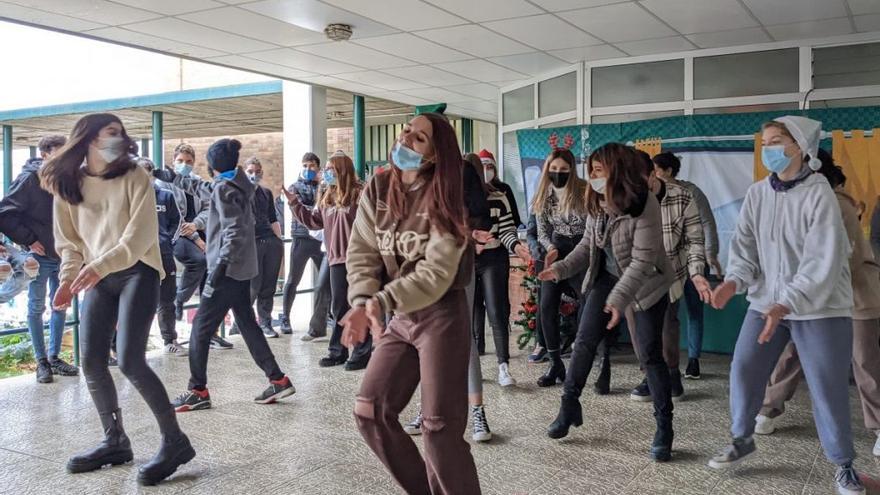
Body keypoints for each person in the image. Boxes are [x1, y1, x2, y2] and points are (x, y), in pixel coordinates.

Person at [707, 116, 865, 495]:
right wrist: (734, 280)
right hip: (766, 303)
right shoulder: (759, 193)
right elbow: (745, 248)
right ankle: (741, 439)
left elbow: (821, 262)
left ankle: (844, 465)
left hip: (820, 308)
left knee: (827, 388)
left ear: (801, 146)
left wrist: (786, 303)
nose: (769, 149)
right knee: (744, 367)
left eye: (777, 141)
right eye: (765, 142)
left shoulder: (819, 193)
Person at [45, 113, 195, 485]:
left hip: (137, 271)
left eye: (121, 133)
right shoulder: (70, 183)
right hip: (97, 275)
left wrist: (97, 267)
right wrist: (68, 280)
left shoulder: (136, 176)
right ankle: (115, 442)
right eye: (111, 132)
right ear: (89, 138)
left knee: (129, 359)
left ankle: (175, 442)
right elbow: (68, 242)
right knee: (92, 361)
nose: (119, 138)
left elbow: (140, 236)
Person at [343, 113, 481, 494]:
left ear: (435, 155)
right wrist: (362, 299)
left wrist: (381, 299)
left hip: (441, 314)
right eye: (407, 130)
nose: (406, 139)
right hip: (400, 316)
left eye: (419, 139)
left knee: (439, 429)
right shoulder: (379, 186)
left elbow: (436, 273)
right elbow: (362, 251)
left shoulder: (445, 195)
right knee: (370, 411)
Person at [538, 143, 675, 461]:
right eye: (592, 171)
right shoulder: (596, 201)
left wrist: (617, 301)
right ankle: (569, 406)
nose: (593, 176)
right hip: (606, 277)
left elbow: (642, 262)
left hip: (647, 284)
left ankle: (664, 427)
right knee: (584, 341)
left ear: (617, 170)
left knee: (650, 354)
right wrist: (558, 269)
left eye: (599, 170)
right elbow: (587, 246)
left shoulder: (645, 204)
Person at [754, 149, 880, 459]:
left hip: (855, 295)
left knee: (865, 361)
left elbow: (835, 260)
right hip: (812, 297)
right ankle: (768, 408)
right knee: (793, 353)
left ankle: (878, 427)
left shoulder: (837, 205)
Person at [154, 138, 295, 413]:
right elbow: (206, 188)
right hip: (242, 269)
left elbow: (233, 232)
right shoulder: (236, 183)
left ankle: (197, 390)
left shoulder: (228, 191)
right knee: (247, 323)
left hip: (227, 271)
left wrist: (218, 269)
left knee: (200, 331)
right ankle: (278, 379)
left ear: (212, 164)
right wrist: (173, 178)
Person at [627, 150, 710, 402]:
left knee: (667, 324)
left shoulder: (683, 197)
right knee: (638, 326)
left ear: (653, 174)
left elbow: (695, 240)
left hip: (672, 270)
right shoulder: (628, 199)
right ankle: (649, 374)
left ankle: (672, 373)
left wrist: (696, 273)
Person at [282, 150, 372, 370]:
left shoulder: (359, 193)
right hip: (335, 259)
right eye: (327, 169)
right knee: (339, 307)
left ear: (342, 170)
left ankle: (361, 353)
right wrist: (295, 204)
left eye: (331, 169)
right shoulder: (327, 196)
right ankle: (337, 351)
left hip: (359, 259)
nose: (326, 173)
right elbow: (314, 223)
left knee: (359, 306)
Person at [0, 134, 78, 383]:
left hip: (64, 254)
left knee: (61, 305)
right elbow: (5, 214)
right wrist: (30, 240)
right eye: (61, 152)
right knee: (36, 306)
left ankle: (55, 357)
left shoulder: (65, 180)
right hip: (39, 254)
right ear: (45, 154)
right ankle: (41, 361)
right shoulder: (29, 179)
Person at [652, 152, 720, 379]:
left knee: (694, 311)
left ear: (669, 170)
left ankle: (693, 360)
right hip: (666, 266)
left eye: (656, 169)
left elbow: (707, 223)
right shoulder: (652, 195)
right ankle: (667, 366)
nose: (653, 174)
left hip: (694, 262)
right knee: (668, 315)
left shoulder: (691, 192)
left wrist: (709, 255)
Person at [160, 144, 233, 350]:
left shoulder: (198, 182)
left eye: (189, 161)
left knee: (211, 282)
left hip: (198, 230)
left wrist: (196, 225)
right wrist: (195, 237)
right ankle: (179, 299)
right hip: (176, 235)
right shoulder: (166, 184)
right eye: (181, 161)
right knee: (199, 261)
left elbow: (208, 208)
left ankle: (209, 332)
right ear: (174, 161)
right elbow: (174, 217)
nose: (185, 165)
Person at [533, 148, 588, 387]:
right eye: (554, 169)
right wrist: (550, 248)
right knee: (546, 305)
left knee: (587, 302)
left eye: (564, 170)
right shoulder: (544, 194)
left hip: (582, 250)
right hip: (556, 250)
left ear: (572, 170)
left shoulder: (584, 190)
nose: (558, 173)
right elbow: (542, 230)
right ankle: (555, 363)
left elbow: (592, 227)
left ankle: (588, 360)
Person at [472, 149, 521, 354]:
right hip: (470, 259)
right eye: (481, 167)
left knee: (496, 305)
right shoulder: (461, 197)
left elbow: (511, 223)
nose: (485, 171)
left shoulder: (502, 192)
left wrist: (516, 246)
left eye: (489, 166)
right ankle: (478, 347)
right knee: (474, 307)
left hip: (496, 255)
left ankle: (503, 358)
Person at [135, 157, 186, 356]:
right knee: (138, 301)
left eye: (146, 175)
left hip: (163, 254)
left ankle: (169, 340)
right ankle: (132, 345)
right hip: (139, 258)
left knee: (167, 299)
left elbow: (176, 221)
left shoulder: (165, 195)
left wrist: (168, 241)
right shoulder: (129, 198)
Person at [280, 152, 332, 340]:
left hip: (320, 240)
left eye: (311, 166)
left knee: (326, 283)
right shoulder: (294, 187)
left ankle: (328, 315)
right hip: (301, 238)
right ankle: (285, 317)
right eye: (305, 165)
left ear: (318, 168)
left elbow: (322, 210)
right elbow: (305, 210)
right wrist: (316, 210)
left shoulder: (324, 186)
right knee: (293, 279)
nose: (308, 169)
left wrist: (315, 209)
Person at [242, 156, 284, 339]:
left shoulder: (266, 193)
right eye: (250, 171)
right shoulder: (239, 194)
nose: (254, 175)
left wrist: (279, 241)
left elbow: (273, 218)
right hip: (252, 243)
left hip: (270, 241)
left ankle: (265, 322)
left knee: (269, 285)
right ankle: (243, 323)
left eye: (257, 171)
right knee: (253, 286)